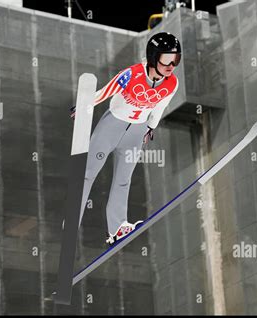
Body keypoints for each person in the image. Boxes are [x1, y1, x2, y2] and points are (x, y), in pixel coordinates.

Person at [72, 32, 181, 246]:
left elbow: (159, 106)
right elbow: (105, 92)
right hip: (112, 124)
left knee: (124, 178)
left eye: (176, 60)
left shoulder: (172, 83)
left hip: (136, 131)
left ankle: (117, 227)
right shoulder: (132, 74)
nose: (171, 66)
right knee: (88, 172)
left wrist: (150, 127)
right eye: (167, 60)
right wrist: (85, 105)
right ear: (153, 57)